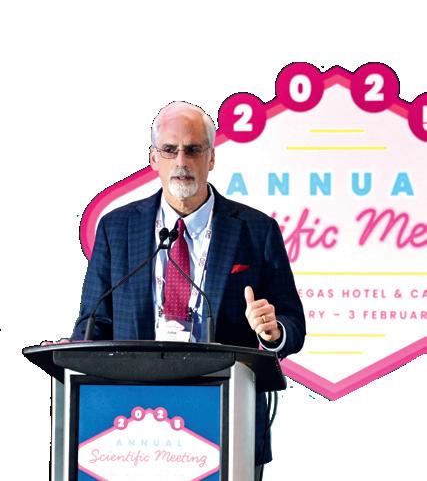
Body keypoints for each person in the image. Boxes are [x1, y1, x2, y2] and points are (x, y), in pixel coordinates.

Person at [70, 101, 306, 479]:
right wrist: (75, 354)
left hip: (227, 414)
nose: (181, 161)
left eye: (193, 149)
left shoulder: (256, 230)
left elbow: (292, 324)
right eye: (170, 149)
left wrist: (272, 331)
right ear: (153, 158)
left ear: (211, 158)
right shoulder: (117, 228)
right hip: (129, 422)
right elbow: (93, 321)